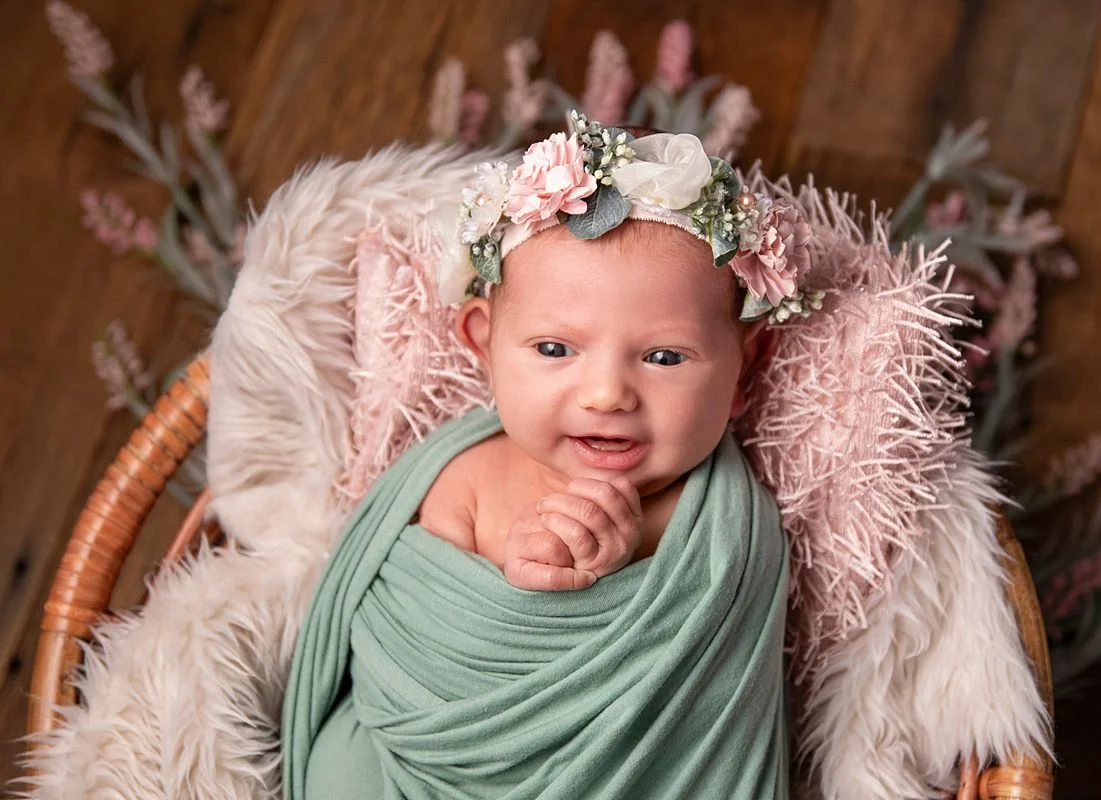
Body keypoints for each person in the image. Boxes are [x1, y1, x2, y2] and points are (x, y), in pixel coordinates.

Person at [282, 111, 817, 798]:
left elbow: (706, 723)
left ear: (745, 371)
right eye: (555, 349)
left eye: (662, 357)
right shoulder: (460, 478)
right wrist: (524, 591)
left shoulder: (724, 536)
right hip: (417, 768)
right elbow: (403, 643)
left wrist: (606, 578)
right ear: (482, 344)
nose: (605, 394)